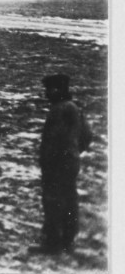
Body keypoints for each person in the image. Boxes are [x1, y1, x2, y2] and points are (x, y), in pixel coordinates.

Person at [33, 73, 93, 255]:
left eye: (49, 90)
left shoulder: (59, 110)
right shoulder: (74, 107)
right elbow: (87, 136)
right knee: (68, 198)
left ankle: (53, 242)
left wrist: (50, 162)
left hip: (57, 164)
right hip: (70, 162)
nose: (46, 94)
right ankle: (68, 238)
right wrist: (75, 152)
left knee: (53, 200)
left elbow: (54, 140)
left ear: (58, 90)